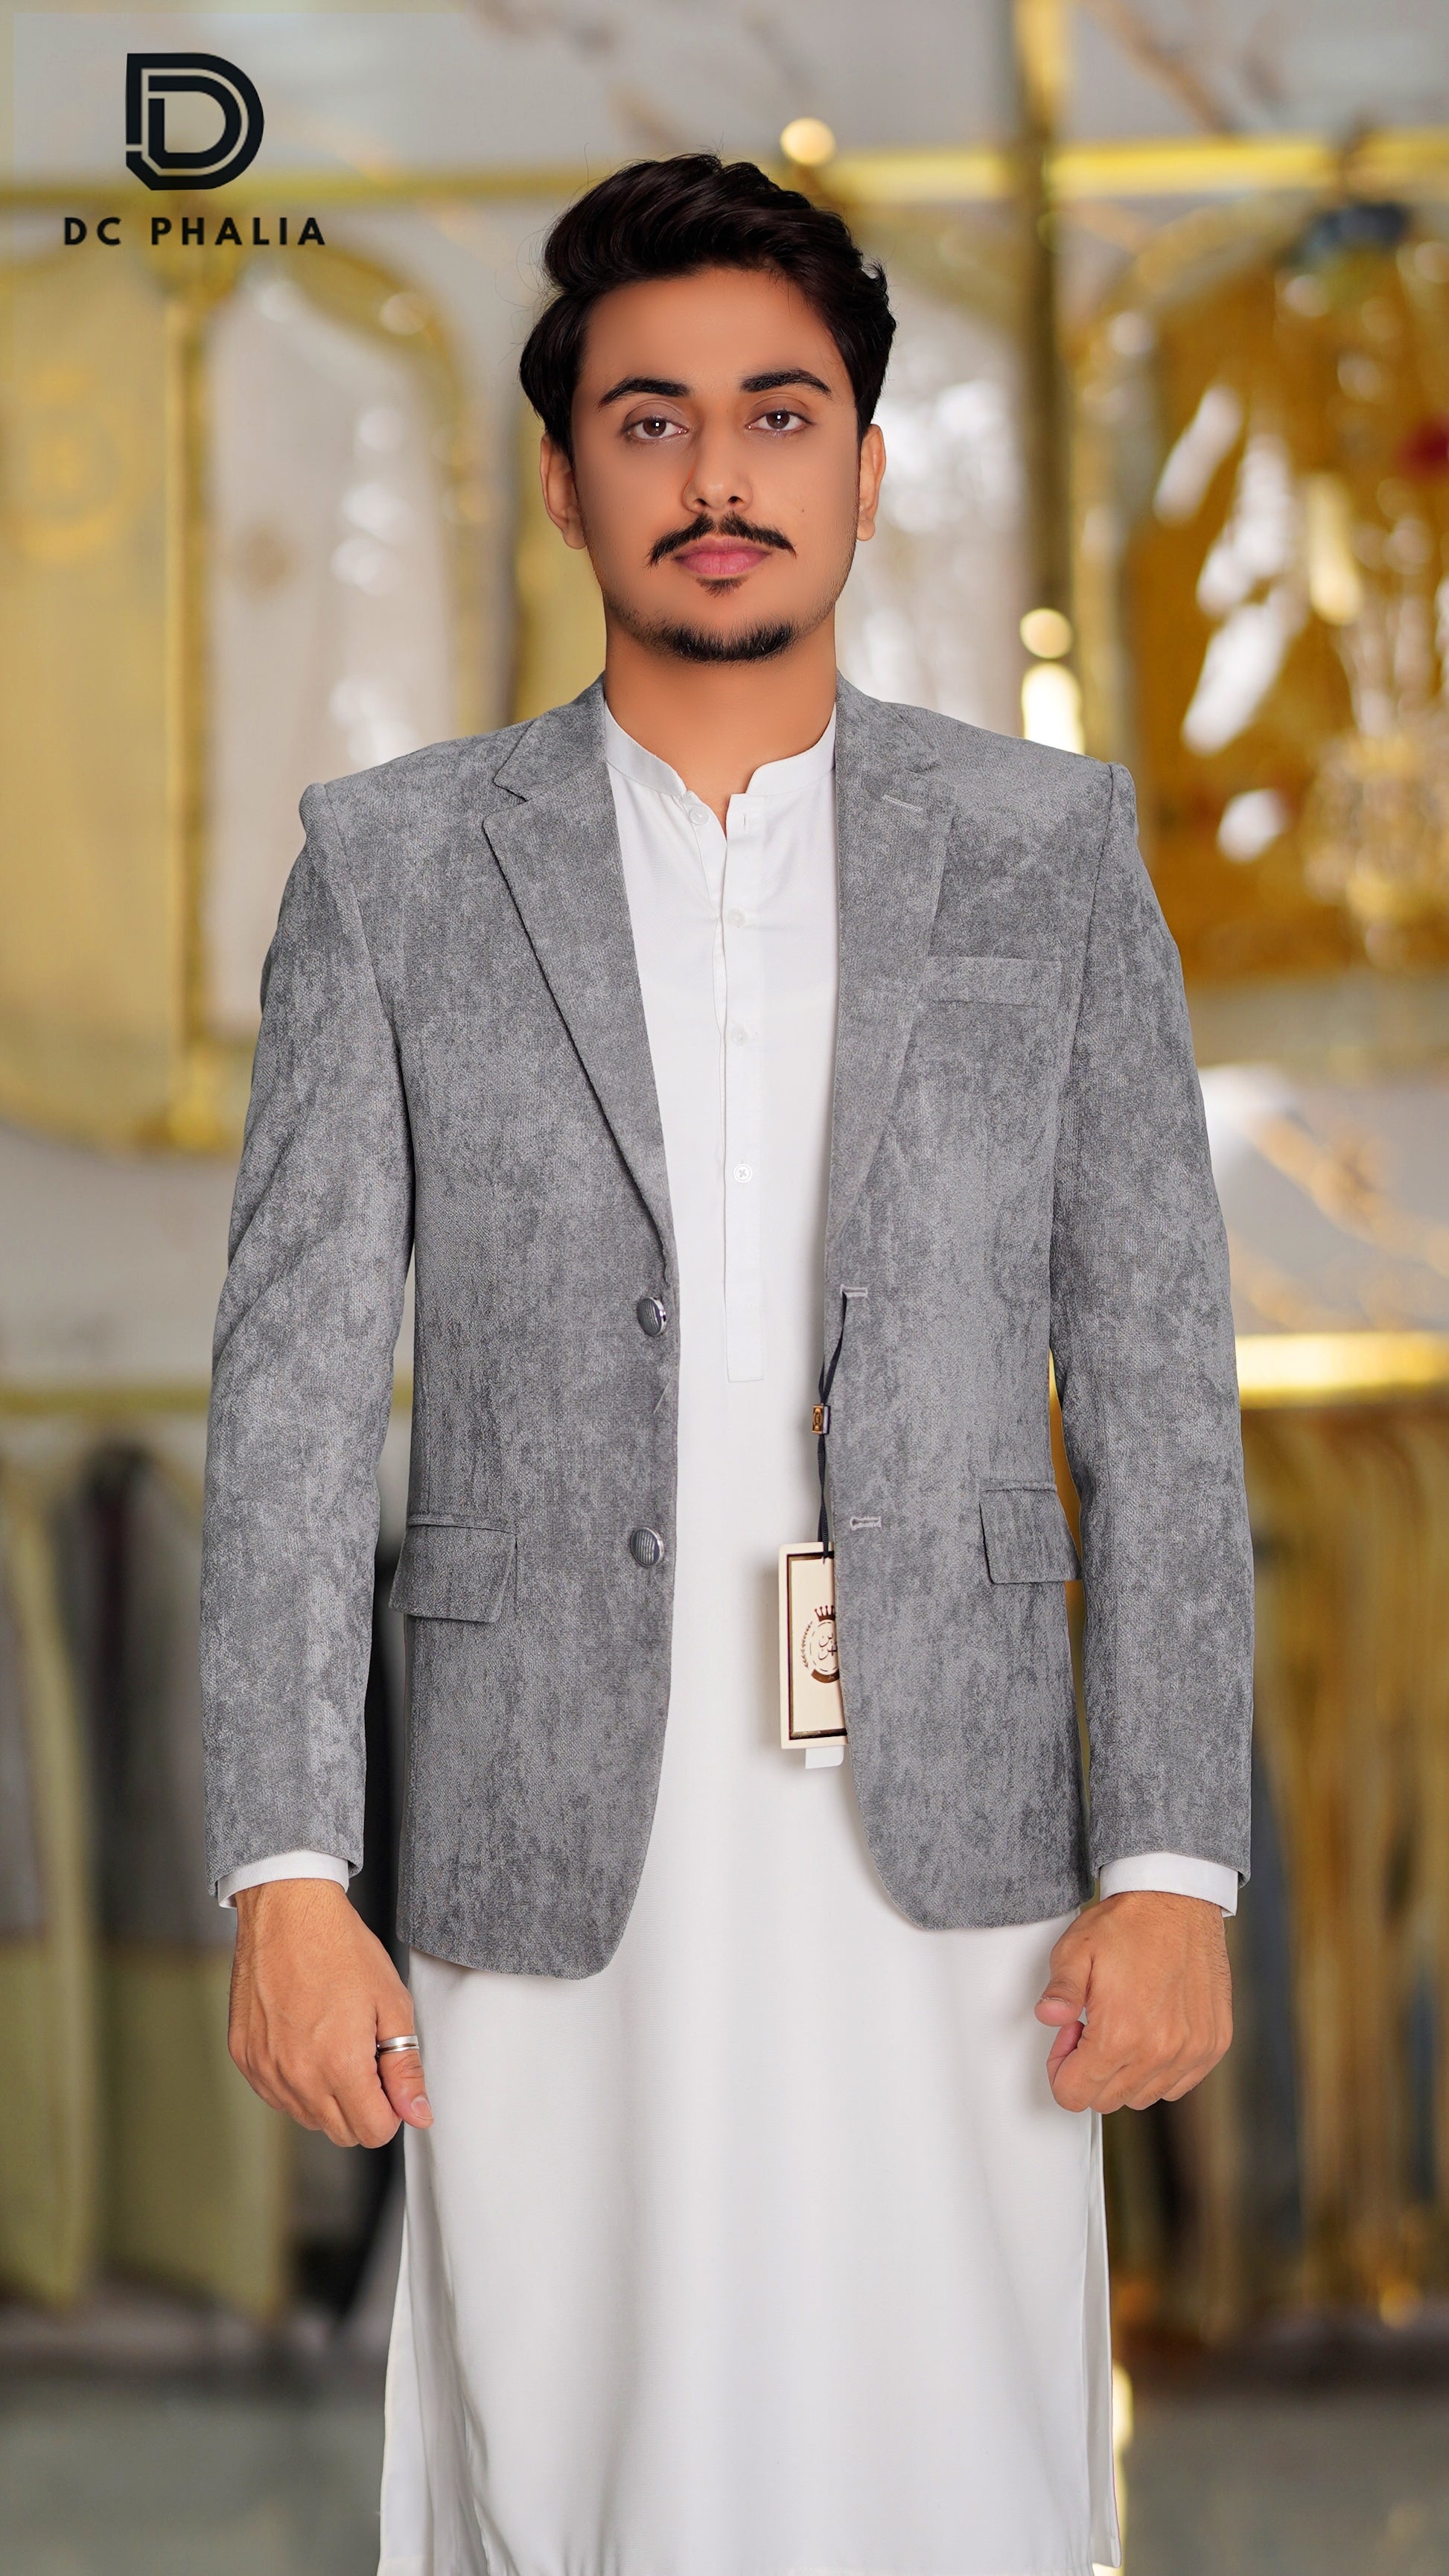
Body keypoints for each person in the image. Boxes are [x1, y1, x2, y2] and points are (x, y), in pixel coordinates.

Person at [203, 154, 1251, 2576]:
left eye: (776, 415)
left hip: (960, 1848)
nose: (715, 473)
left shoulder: (1049, 851)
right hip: (545, 1846)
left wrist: (1170, 1856)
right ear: (563, 478)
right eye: (648, 420)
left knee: (953, 2468)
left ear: (864, 472)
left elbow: (1156, 1386)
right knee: (580, 2466)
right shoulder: (393, 867)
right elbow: (290, 1405)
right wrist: (283, 1866)